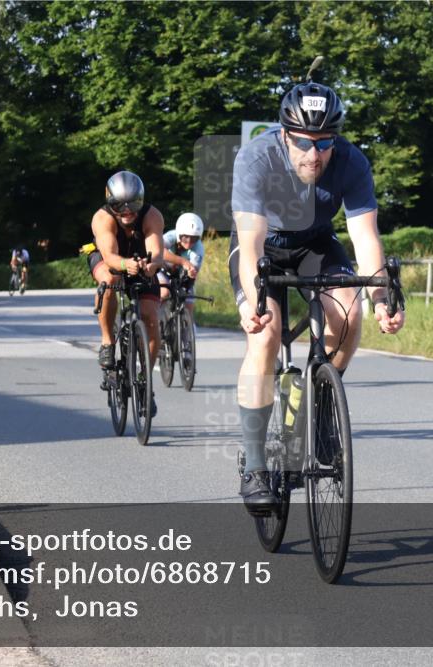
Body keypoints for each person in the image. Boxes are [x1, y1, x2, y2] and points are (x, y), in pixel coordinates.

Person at [228, 81, 405, 513]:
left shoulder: (352, 161)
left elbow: (365, 238)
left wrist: (381, 297)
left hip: (314, 243)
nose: (315, 154)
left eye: (325, 142)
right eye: (304, 143)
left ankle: (321, 402)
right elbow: (249, 246)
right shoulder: (256, 157)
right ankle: (254, 466)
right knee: (265, 337)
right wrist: (253, 303)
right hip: (262, 246)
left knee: (348, 311)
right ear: (284, 134)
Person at [86, 171, 165, 409]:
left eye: (134, 204)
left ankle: (145, 381)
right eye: (120, 205)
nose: (127, 211)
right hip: (109, 259)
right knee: (109, 281)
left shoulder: (152, 215)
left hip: (141, 259)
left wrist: (151, 267)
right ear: (111, 202)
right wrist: (124, 265)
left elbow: (157, 251)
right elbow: (109, 256)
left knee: (151, 318)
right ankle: (108, 341)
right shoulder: (102, 218)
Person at [157, 212, 205, 316]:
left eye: (194, 239)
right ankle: (156, 319)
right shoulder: (170, 236)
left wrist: (192, 273)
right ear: (179, 234)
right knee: (164, 292)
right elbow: (159, 251)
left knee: (188, 303)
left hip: (182, 276)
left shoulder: (199, 248)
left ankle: (188, 327)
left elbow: (192, 275)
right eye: (185, 238)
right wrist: (183, 261)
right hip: (163, 271)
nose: (188, 243)